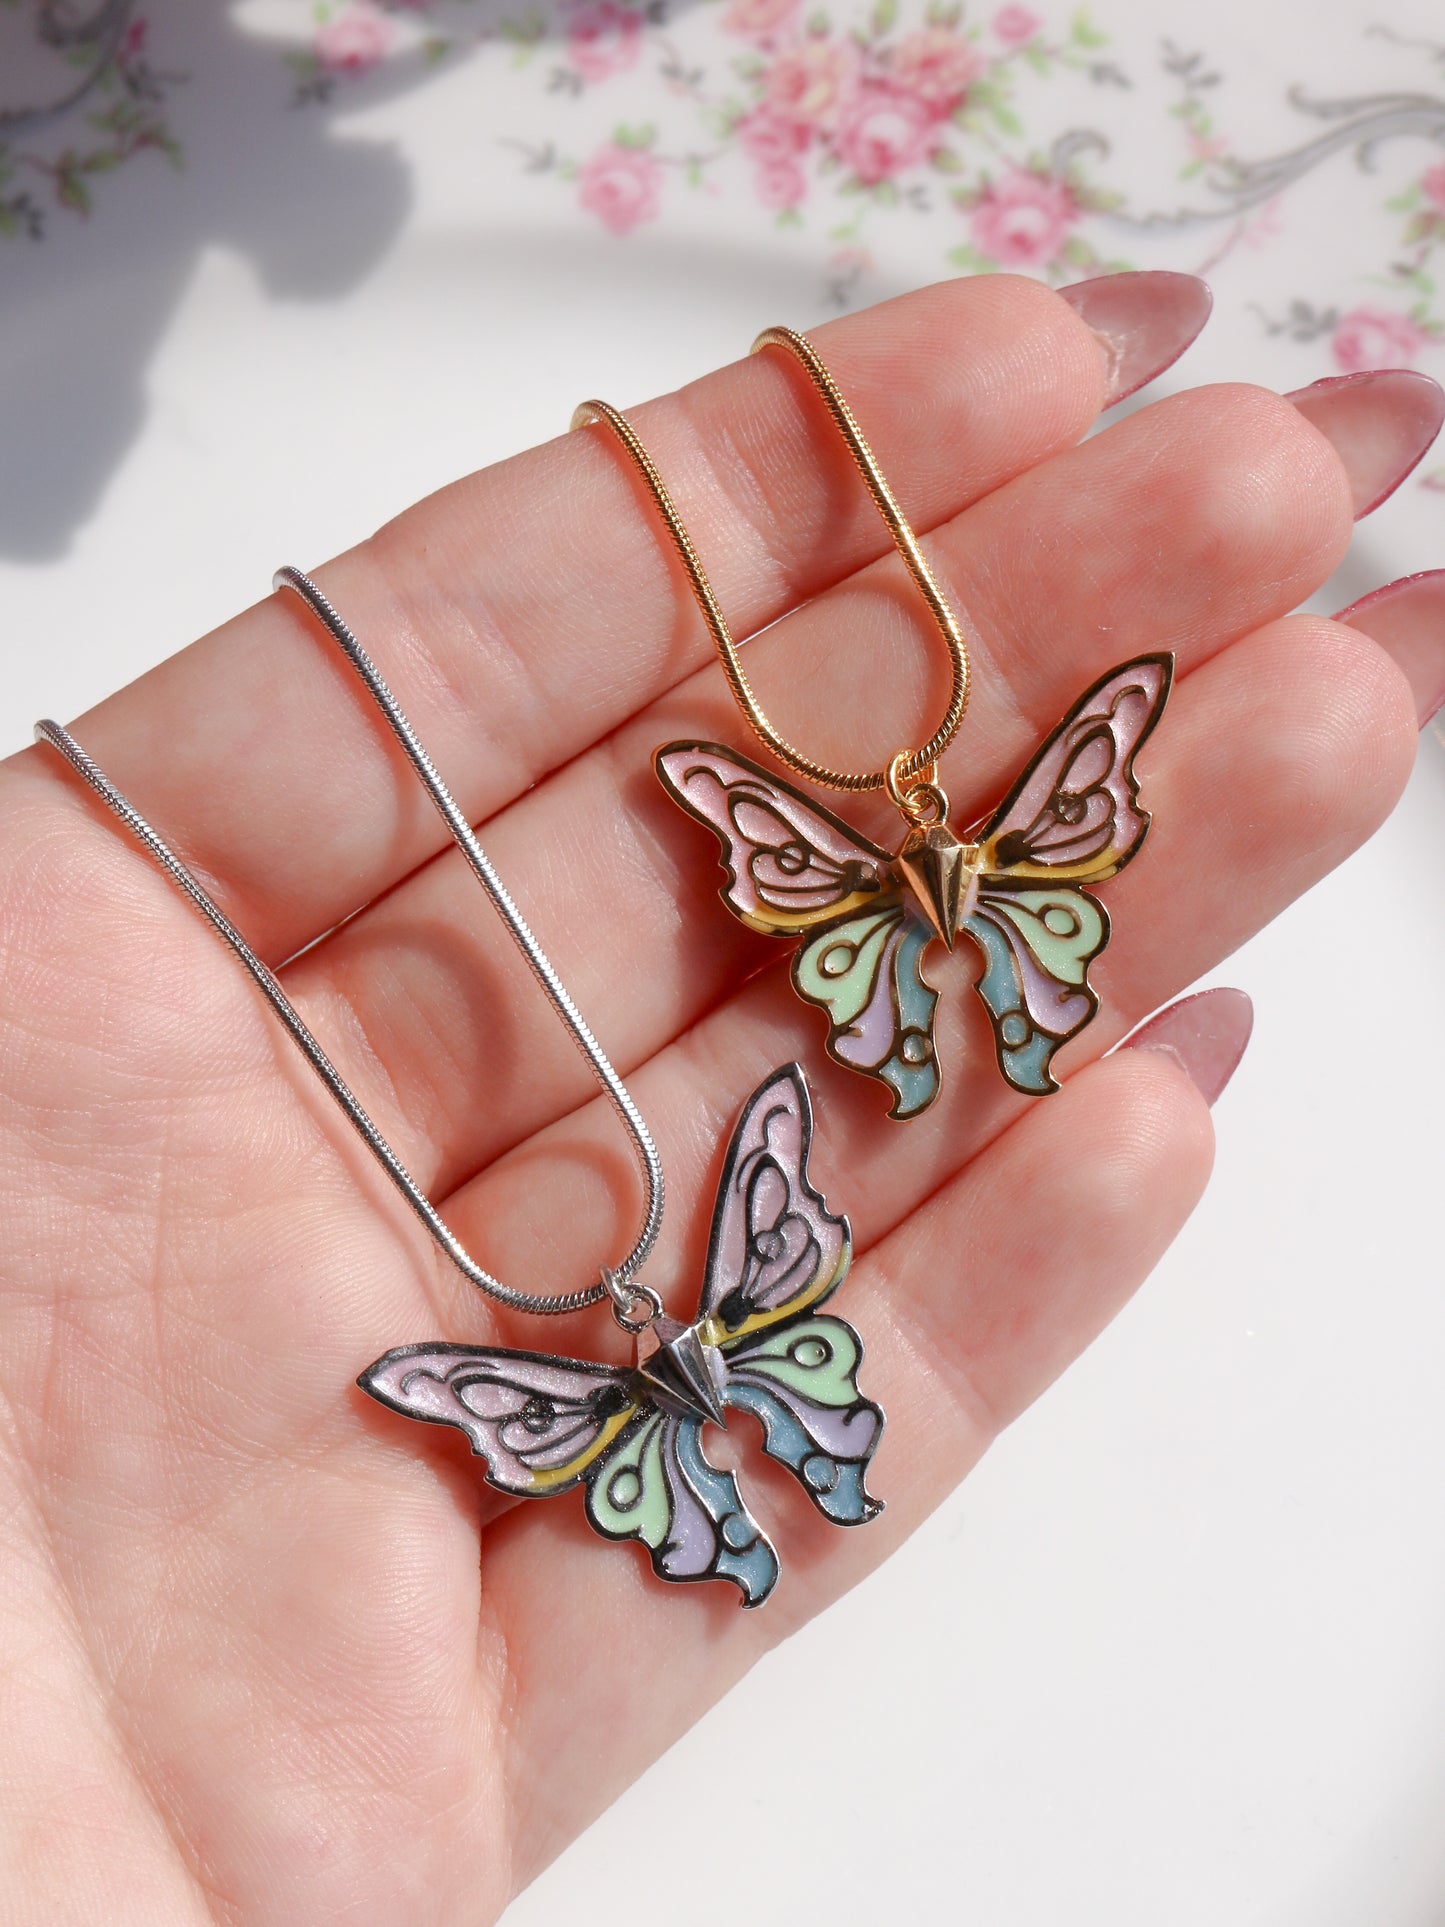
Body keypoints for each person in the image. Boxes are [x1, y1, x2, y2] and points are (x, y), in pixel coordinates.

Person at [0, 272, 1438, 1922]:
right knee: (883, 1209)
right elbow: (716, 1192)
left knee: (903, 1076)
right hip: (788, 1215)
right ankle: (935, 1163)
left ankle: (920, 1127)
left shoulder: (632, 1282)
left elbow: (591, 1281)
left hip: (795, 1081)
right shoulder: (712, 1257)